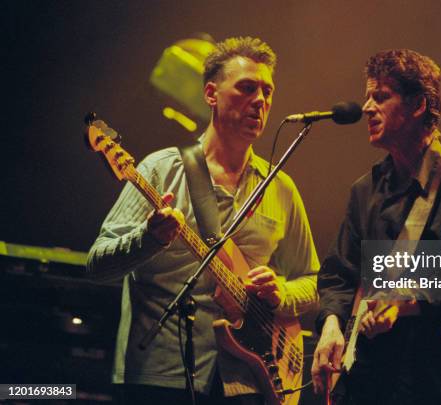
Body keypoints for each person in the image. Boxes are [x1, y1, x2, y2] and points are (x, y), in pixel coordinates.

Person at [87, 36, 319, 405]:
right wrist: (149, 239)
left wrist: (282, 292)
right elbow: (97, 264)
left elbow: (312, 282)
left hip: (247, 381)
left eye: (267, 91)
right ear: (211, 94)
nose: (260, 100)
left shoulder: (281, 187)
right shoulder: (161, 170)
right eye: (246, 88)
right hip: (161, 377)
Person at [311, 49, 441, 405]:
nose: (366, 107)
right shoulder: (365, 189)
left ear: (418, 105)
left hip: (435, 385)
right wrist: (331, 325)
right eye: (367, 97)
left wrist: (403, 303)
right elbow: (339, 274)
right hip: (369, 383)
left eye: (381, 97)